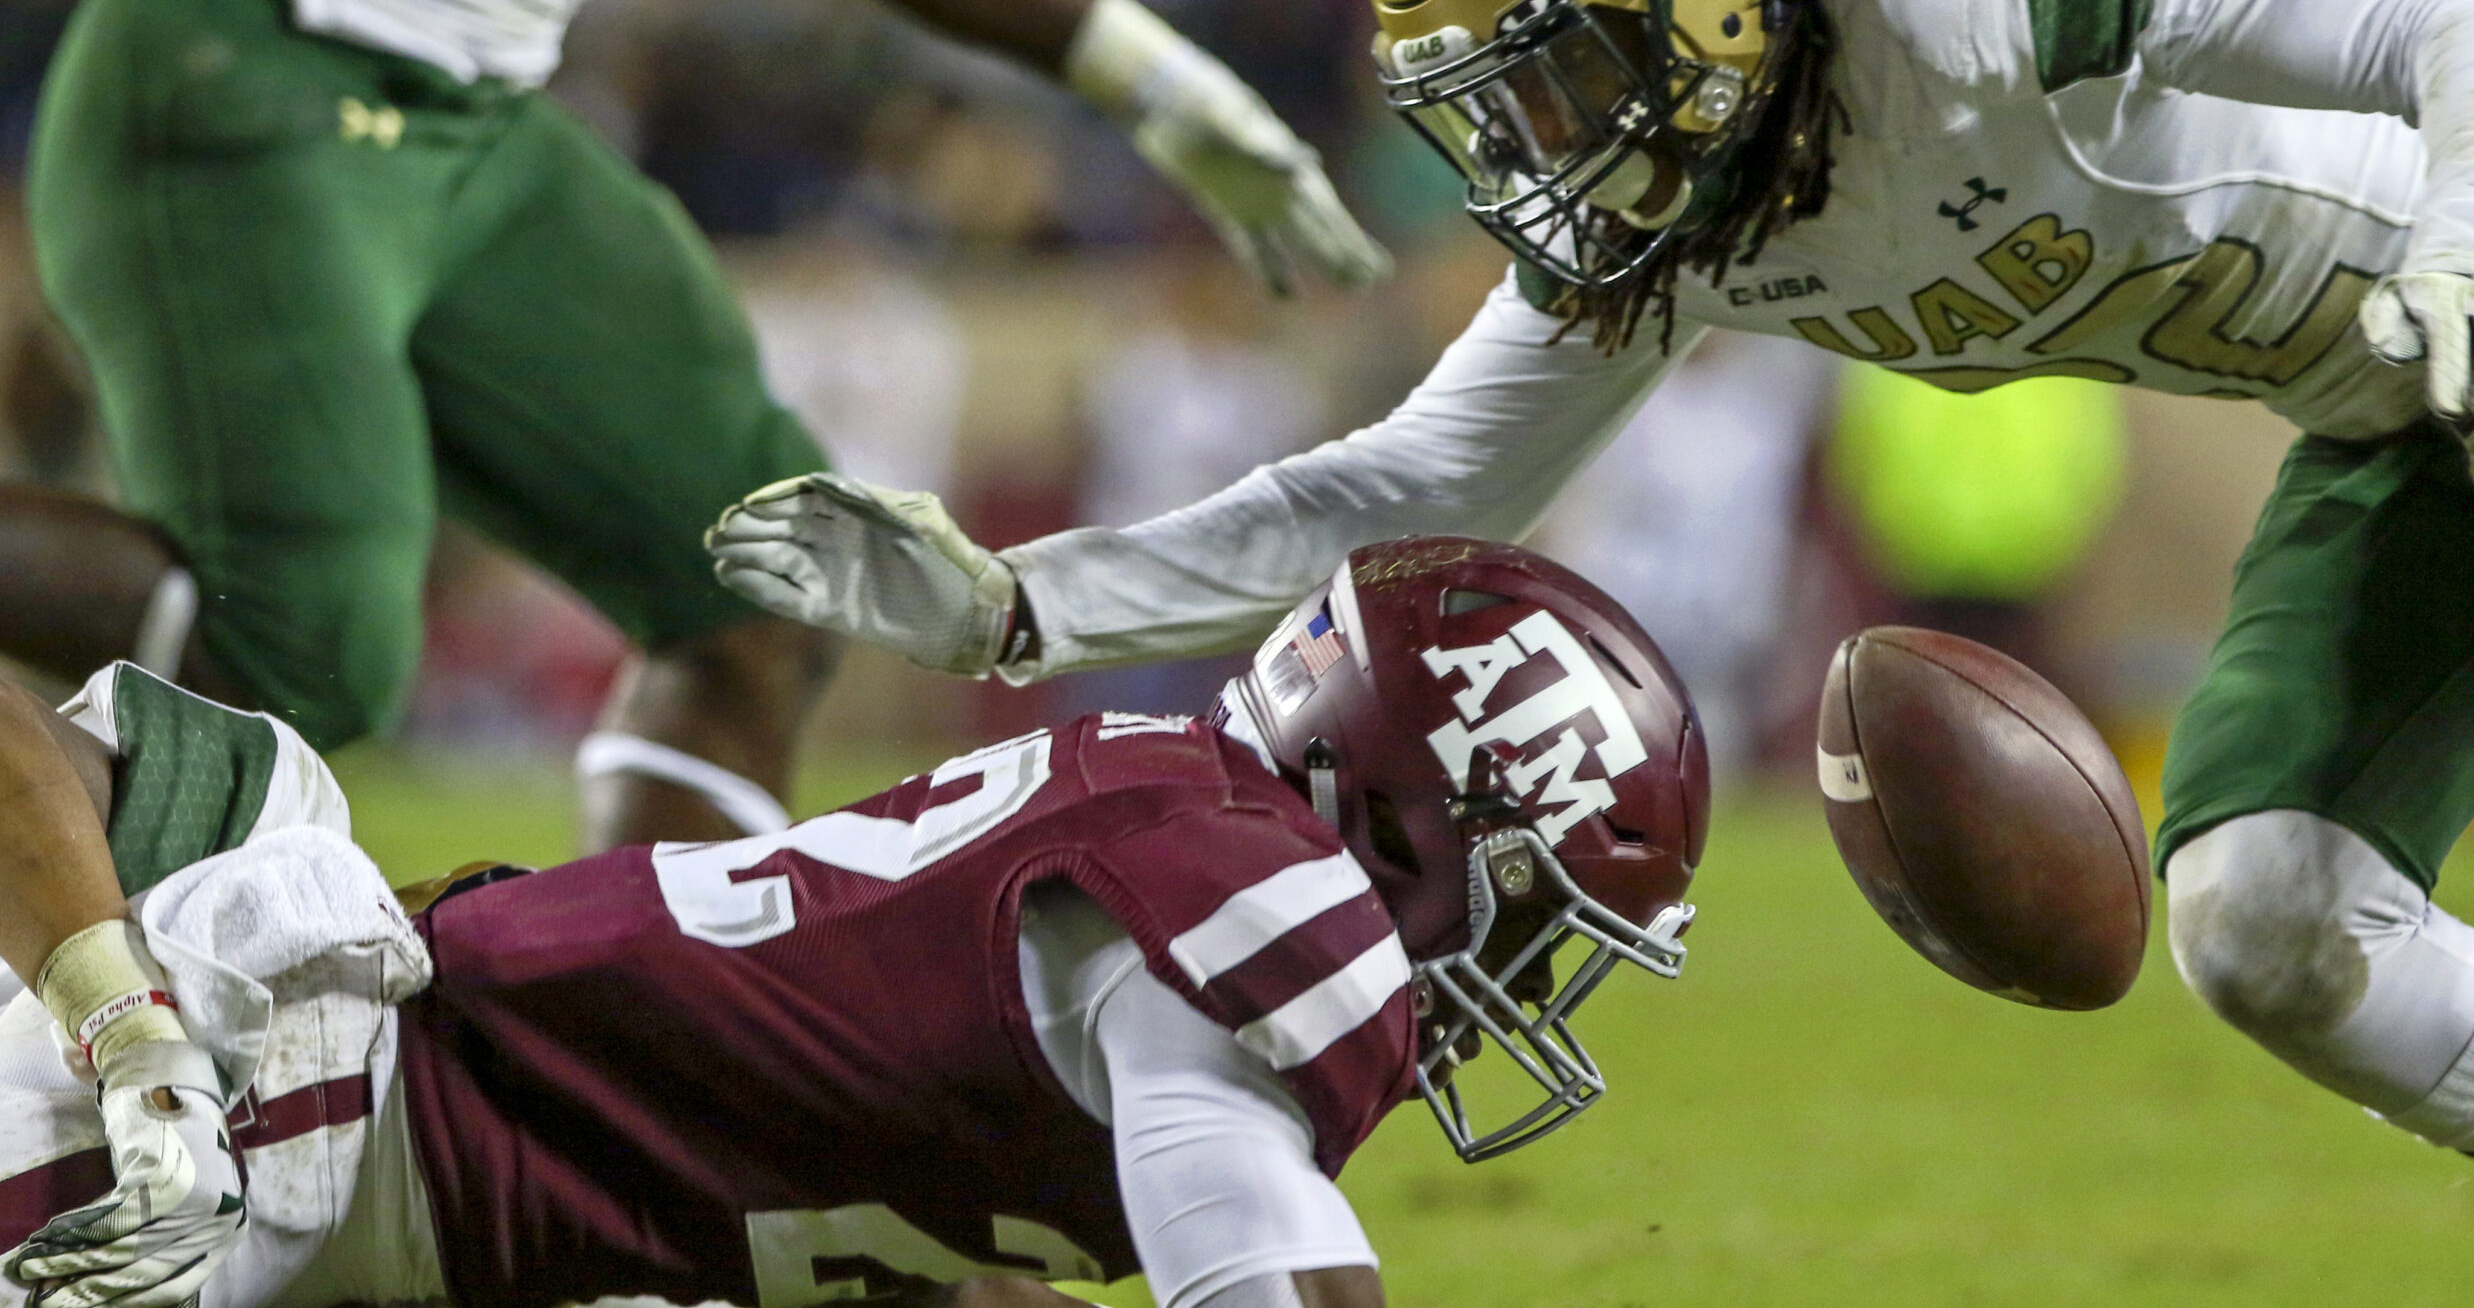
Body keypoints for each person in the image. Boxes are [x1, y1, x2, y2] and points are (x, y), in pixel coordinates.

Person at [709, 0, 2474, 1185]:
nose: (1540, 145)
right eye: (1496, 102)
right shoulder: (1686, 204)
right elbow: (1416, 489)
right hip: (2417, 421)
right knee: (2271, 925)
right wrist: (1010, 608)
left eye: (1565, 69)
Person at [0, 0, 1391, 850]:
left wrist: (1145, 76)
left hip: (478, 121)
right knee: (303, 646)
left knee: (764, 590)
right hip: (255, 57)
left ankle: (621, 1046)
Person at [0, 536, 1705, 1308]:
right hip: (299, 1105)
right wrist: (143, 1051)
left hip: (454, 1165)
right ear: (1402, 815)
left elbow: (875, 1153)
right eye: (1540, 919)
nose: (1528, 984)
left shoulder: (1169, 818)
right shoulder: (1273, 911)